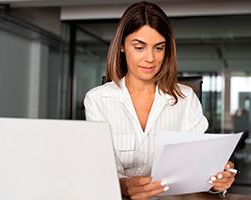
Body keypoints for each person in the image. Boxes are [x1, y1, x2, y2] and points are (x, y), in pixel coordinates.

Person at [83, 1, 236, 199]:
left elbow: (198, 168)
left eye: (158, 48)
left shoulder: (185, 99)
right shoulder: (97, 100)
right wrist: (123, 185)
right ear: (122, 46)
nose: (150, 58)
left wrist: (216, 180)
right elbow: (100, 168)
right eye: (139, 47)